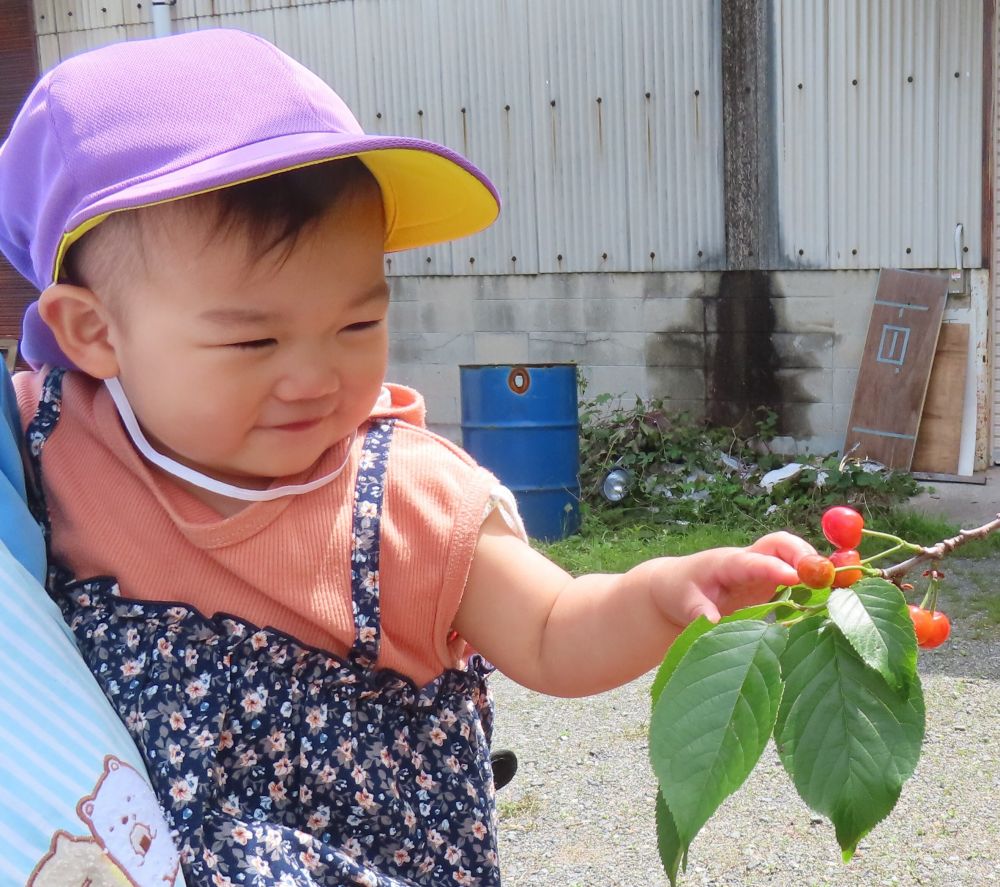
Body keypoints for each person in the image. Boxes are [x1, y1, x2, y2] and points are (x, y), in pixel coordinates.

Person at [0, 29, 814, 887]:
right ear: (94, 332)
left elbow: (548, 627)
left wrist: (657, 596)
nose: (315, 377)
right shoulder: (49, 445)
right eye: (253, 341)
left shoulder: (405, 498)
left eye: (357, 324)